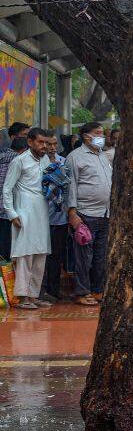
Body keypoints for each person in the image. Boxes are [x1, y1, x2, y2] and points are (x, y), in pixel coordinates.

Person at [2, 128, 54, 309]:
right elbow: (7, 189)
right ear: (30, 142)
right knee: (25, 255)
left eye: (46, 143)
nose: (44, 146)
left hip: (42, 212)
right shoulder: (19, 161)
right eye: (41, 142)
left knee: (40, 254)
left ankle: (34, 296)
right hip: (23, 213)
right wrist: (12, 214)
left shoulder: (46, 160)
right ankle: (23, 297)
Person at [66, 122, 113, 306]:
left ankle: (97, 290)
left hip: (105, 213)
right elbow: (70, 186)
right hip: (85, 214)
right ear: (86, 136)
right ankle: (82, 291)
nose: (102, 136)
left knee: (100, 257)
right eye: (98, 133)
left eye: (103, 133)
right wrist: (72, 212)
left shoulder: (102, 156)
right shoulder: (75, 157)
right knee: (83, 257)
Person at [41, 135, 70, 301]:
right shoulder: (41, 161)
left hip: (60, 216)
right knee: (43, 255)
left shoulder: (63, 161)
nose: (52, 147)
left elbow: (67, 185)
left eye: (54, 144)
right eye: (49, 144)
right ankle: (42, 289)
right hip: (44, 216)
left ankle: (54, 290)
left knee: (57, 255)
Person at [0, 122, 31, 259]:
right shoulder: (16, 159)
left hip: (12, 212)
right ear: (13, 137)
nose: (29, 138)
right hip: (9, 212)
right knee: (7, 252)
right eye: (25, 135)